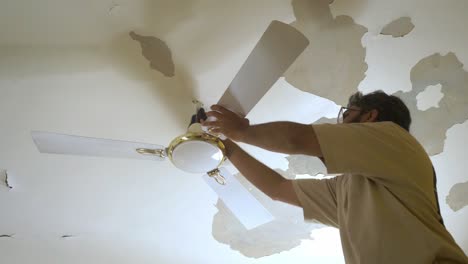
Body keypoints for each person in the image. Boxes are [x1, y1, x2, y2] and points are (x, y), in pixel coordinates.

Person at [202, 90, 468, 264]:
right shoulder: (347, 188)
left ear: (370, 115)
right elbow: (278, 188)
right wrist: (227, 147)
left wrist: (242, 131)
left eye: (347, 114)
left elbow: (297, 139)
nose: (340, 123)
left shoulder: (394, 138)